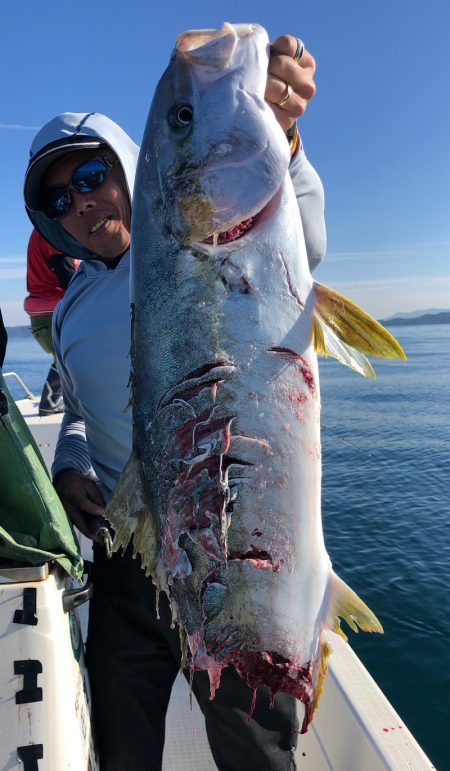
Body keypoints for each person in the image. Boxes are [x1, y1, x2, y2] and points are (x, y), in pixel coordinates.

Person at [23, 34, 326, 771]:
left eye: (92, 175)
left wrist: (281, 131)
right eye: (60, 199)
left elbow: (302, 241)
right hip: (127, 553)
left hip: (226, 543)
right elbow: (76, 405)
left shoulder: (202, 245)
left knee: (255, 746)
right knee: (120, 741)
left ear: (133, 167)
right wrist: (69, 464)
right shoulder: (69, 309)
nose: (82, 201)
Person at [23, 228, 78, 415]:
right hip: (53, 308)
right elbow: (65, 269)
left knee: (65, 357)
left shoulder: (43, 228)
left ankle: (53, 400)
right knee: (70, 356)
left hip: (43, 311)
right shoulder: (51, 228)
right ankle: (51, 401)